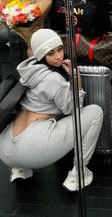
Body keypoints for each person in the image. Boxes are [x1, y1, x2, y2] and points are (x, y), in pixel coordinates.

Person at [0, 29, 103, 192]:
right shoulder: (51, 78)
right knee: (96, 112)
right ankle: (79, 174)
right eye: (50, 53)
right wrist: (75, 76)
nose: (58, 56)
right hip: (31, 149)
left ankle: (20, 169)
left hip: (5, 148)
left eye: (59, 49)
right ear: (41, 56)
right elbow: (74, 107)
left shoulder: (27, 71)